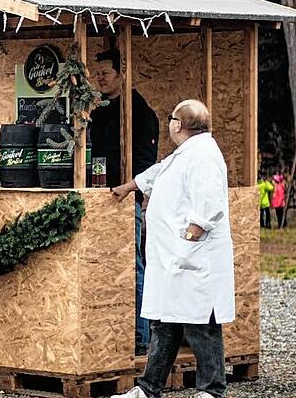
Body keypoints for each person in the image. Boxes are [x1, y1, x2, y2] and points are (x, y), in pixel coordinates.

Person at [111, 99, 235, 398]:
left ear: (177, 124)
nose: (169, 123)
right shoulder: (186, 152)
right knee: (164, 323)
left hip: (192, 257)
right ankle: (148, 388)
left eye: (171, 119)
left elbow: (208, 204)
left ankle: (212, 391)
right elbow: (159, 172)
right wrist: (129, 187)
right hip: (173, 259)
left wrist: (188, 243)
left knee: (201, 325)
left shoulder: (204, 154)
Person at [90, 49, 160, 354]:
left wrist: (135, 192)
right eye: (97, 73)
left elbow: (147, 161)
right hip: (100, 198)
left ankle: (141, 338)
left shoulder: (140, 112)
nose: (99, 79)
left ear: (122, 74)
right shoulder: (98, 111)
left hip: (125, 199)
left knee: (134, 266)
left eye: (105, 73)